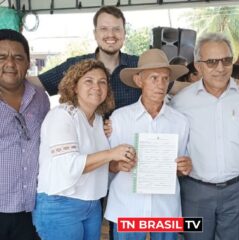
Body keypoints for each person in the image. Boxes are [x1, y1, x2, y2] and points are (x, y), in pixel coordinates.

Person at [32, 59, 136, 240]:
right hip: (60, 204)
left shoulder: (98, 119)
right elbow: (69, 166)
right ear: (74, 87)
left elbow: (97, 163)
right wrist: (112, 153)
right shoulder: (62, 115)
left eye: (102, 82)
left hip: (92, 204)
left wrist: (115, 166)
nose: (96, 86)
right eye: (89, 81)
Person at [171, 32, 239, 240]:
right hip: (194, 194)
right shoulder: (181, 102)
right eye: (211, 62)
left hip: (237, 193)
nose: (220, 68)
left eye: (226, 60)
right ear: (198, 66)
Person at [105, 49, 192, 240]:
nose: (161, 84)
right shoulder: (119, 119)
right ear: (139, 81)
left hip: (165, 208)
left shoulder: (180, 122)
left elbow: (178, 167)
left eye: (165, 78)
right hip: (127, 206)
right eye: (153, 78)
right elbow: (106, 165)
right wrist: (118, 165)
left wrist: (184, 166)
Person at [28, 6, 141, 109]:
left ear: (124, 33)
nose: (110, 34)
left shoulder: (139, 65)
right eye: (103, 29)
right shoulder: (76, 66)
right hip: (85, 131)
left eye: (116, 29)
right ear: (95, 34)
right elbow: (37, 83)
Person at [0, 29, 50, 240]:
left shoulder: (40, 97)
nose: (10, 63)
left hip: (32, 207)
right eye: (2, 57)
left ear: (28, 62)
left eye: (18, 57)